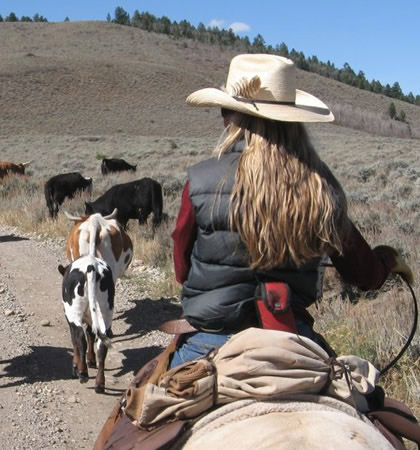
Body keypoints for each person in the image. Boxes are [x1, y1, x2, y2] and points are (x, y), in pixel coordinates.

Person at [168, 53, 414, 368]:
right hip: (292, 337)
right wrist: (388, 261)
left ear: (231, 115)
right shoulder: (321, 185)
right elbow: (364, 274)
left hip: (210, 339)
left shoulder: (200, 179)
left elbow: (181, 267)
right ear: (294, 118)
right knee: (374, 403)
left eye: (224, 110)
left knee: (144, 411)